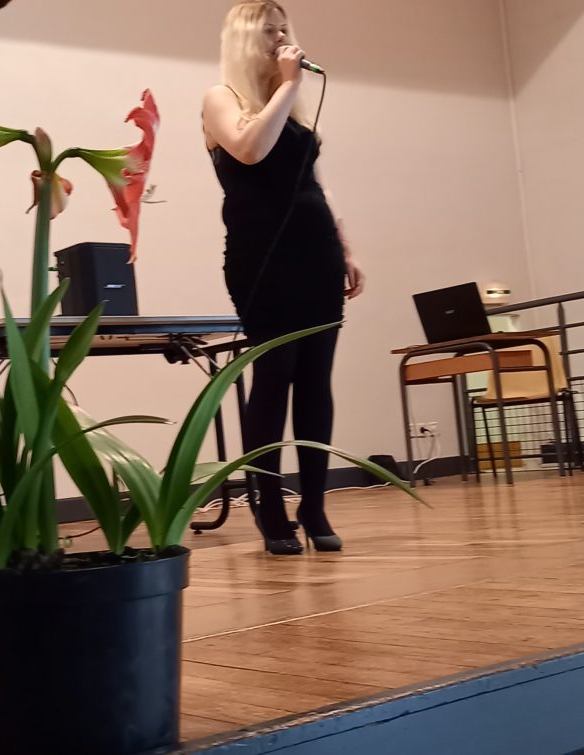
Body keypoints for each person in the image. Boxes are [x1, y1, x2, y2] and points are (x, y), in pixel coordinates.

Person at [203, 0, 365, 555]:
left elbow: (314, 184)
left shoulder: (290, 111)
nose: (280, 39)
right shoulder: (222, 100)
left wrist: (344, 246)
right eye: (268, 31)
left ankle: (315, 504)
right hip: (262, 261)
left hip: (315, 255)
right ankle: (270, 510)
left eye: (284, 30)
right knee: (273, 381)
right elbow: (249, 150)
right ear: (245, 39)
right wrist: (288, 87)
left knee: (316, 383)